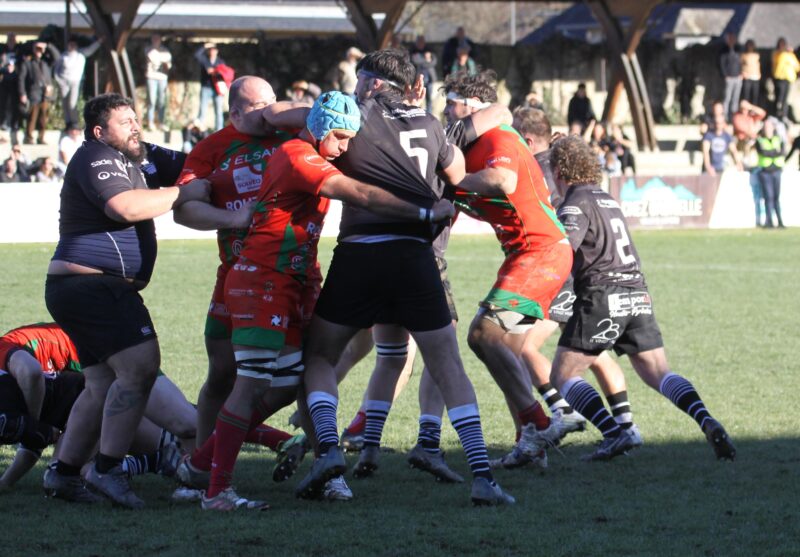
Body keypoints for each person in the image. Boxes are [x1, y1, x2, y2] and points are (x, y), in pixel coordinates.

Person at [184, 91, 457, 511]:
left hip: (296, 278)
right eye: (342, 138)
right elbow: (357, 193)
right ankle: (216, 490)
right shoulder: (297, 154)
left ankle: (210, 464)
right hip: (264, 278)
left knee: (296, 379)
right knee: (252, 382)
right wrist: (421, 212)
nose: (346, 148)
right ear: (323, 129)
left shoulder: (311, 145)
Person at [295, 49, 514, 506]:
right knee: (446, 363)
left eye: (360, 81)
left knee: (319, 355)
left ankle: (329, 451)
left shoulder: (352, 113)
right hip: (417, 259)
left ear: (374, 84)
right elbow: (460, 179)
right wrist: (494, 181)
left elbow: (302, 127)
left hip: (361, 254)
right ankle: (482, 476)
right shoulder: (432, 125)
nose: (354, 89)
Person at [41, 93, 210, 508]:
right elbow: (124, 207)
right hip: (93, 287)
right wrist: (182, 193)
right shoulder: (95, 156)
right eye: (125, 122)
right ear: (100, 131)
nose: (136, 126)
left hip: (82, 290)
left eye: (137, 119)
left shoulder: (141, 156)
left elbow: (199, 161)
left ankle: (63, 474)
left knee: (100, 385)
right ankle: (108, 469)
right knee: (140, 367)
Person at [549, 135, 736, 462]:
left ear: (560, 171)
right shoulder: (607, 198)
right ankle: (706, 419)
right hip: (636, 293)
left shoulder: (576, 201)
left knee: (562, 376)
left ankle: (614, 433)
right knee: (659, 373)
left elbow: (564, 249)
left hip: (602, 295)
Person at [439, 71, 576, 469]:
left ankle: (543, 421)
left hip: (542, 251)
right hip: (525, 253)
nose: (448, 110)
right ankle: (530, 446)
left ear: (473, 105)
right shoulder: (470, 146)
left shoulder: (498, 137)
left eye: (452, 101)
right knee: (508, 353)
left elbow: (502, 179)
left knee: (482, 335)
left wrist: (456, 183)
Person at [0, 322, 303, 491]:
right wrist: (7, 482)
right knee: (71, 472)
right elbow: (34, 441)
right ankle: (156, 462)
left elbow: (30, 374)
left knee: (187, 423)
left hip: (120, 359)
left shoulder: (6, 352)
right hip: (94, 385)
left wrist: (33, 420)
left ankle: (280, 440)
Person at [172, 76, 291, 453]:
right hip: (235, 273)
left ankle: (321, 456)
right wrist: (233, 219)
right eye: (261, 106)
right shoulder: (213, 148)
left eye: (275, 101)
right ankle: (201, 459)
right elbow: (184, 210)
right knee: (222, 373)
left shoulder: (292, 135)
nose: (271, 112)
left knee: (294, 374)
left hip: (290, 273)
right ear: (236, 112)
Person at [54, 36, 102, 128]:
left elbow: (91, 49)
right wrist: (59, 80)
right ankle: (68, 122)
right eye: (70, 44)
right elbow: (56, 70)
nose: (71, 46)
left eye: (73, 45)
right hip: (64, 82)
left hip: (75, 82)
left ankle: (74, 122)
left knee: (72, 103)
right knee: (65, 104)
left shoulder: (81, 54)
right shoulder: (63, 56)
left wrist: (99, 42)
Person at [18, 41, 59, 144]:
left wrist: (48, 46)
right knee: (32, 117)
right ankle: (29, 137)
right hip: (33, 93)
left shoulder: (46, 62)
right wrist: (22, 93)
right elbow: (21, 79)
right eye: (37, 48)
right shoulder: (28, 62)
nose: (39, 51)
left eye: (40, 49)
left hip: (45, 94)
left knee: (43, 118)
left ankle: (41, 137)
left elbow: (57, 57)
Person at [756, 117, 786, 228]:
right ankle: (769, 222)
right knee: (768, 197)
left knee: (776, 197)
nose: (767, 129)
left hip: (777, 171)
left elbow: (782, 152)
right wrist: (774, 152)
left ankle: (780, 221)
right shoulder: (760, 140)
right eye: (765, 127)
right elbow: (764, 153)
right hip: (766, 172)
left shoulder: (778, 139)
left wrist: (771, 153)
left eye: (769, 127)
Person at [194, 43, 226, 131]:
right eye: (210, 50)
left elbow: (225, 74)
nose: (212, 52)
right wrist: (205, 46)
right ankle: (200, 128)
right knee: (202, 109)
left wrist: (215, 71)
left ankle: (219, 130)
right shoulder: (205, 60)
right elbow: (197, 55)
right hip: (206, 87)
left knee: (218, 110)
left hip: (217, 88)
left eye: (214, 50)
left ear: (217, 51)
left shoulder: (220, 62)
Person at [144, 34, 172, 131]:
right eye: (154, 39)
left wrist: (165, 63)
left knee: (161, 101)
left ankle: (161, 123)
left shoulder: (165, 51)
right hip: (151, 77)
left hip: (162, 78)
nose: (156, 41)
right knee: (151, 100)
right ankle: (150, 122)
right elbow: (153, 59)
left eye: (158, 39)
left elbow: (168, 63)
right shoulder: (149, 49)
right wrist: (161, 59)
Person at [0, 33, 21, 145]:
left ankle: (14, 126)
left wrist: (15, 68)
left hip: (15, 83)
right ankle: (3, 125)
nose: (11, 41)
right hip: (3, 81)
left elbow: (23, 65)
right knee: (3, 105)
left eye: (13, 39)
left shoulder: (19, 50)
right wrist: (4, 68)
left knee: (14, 106)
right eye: (9, 39)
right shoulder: (2, 49)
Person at [772, 38, 800, 121]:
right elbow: (776, 61)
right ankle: (776, 114)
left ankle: (783, 115)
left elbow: (797, 66)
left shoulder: (790, 55)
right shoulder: (777, 53)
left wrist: (791, 53)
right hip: (779, 79)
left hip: (788, 79)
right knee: (778, 98)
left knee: (785, 99)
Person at [410, 35, 438, 112]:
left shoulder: (429, 49)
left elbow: (434, 62)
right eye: (419, 41)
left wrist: (426, 60)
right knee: (417, 98)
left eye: (422, 41)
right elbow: (415, 61)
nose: (421, 43)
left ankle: (429, 114)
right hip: (418, 79)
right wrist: (427, 60)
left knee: (429, 100)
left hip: (429, 79)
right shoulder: (413, 50)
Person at [719, 33, 742, 121]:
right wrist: (725, 75)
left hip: (738, 77)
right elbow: (721, 64)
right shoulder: (724, 50)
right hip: (729, 77)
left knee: (735, 98)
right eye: (730, 39)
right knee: (727, 97)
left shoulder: (738, 49)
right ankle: (725, 116)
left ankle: (733, 116)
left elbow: (741, 62)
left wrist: (741, 73)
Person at [740, 39, 761, 107]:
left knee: (755, 95)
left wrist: (759, 73)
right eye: (749, 46)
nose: (750, 47)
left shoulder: (756, 55)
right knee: (746, 95)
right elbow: (740, 65)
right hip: (747, 77)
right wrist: (742, 72)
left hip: (756, 77)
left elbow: (758, 65)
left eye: (751, 46)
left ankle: (754, 110)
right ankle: (746, 110)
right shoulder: (743, 55)